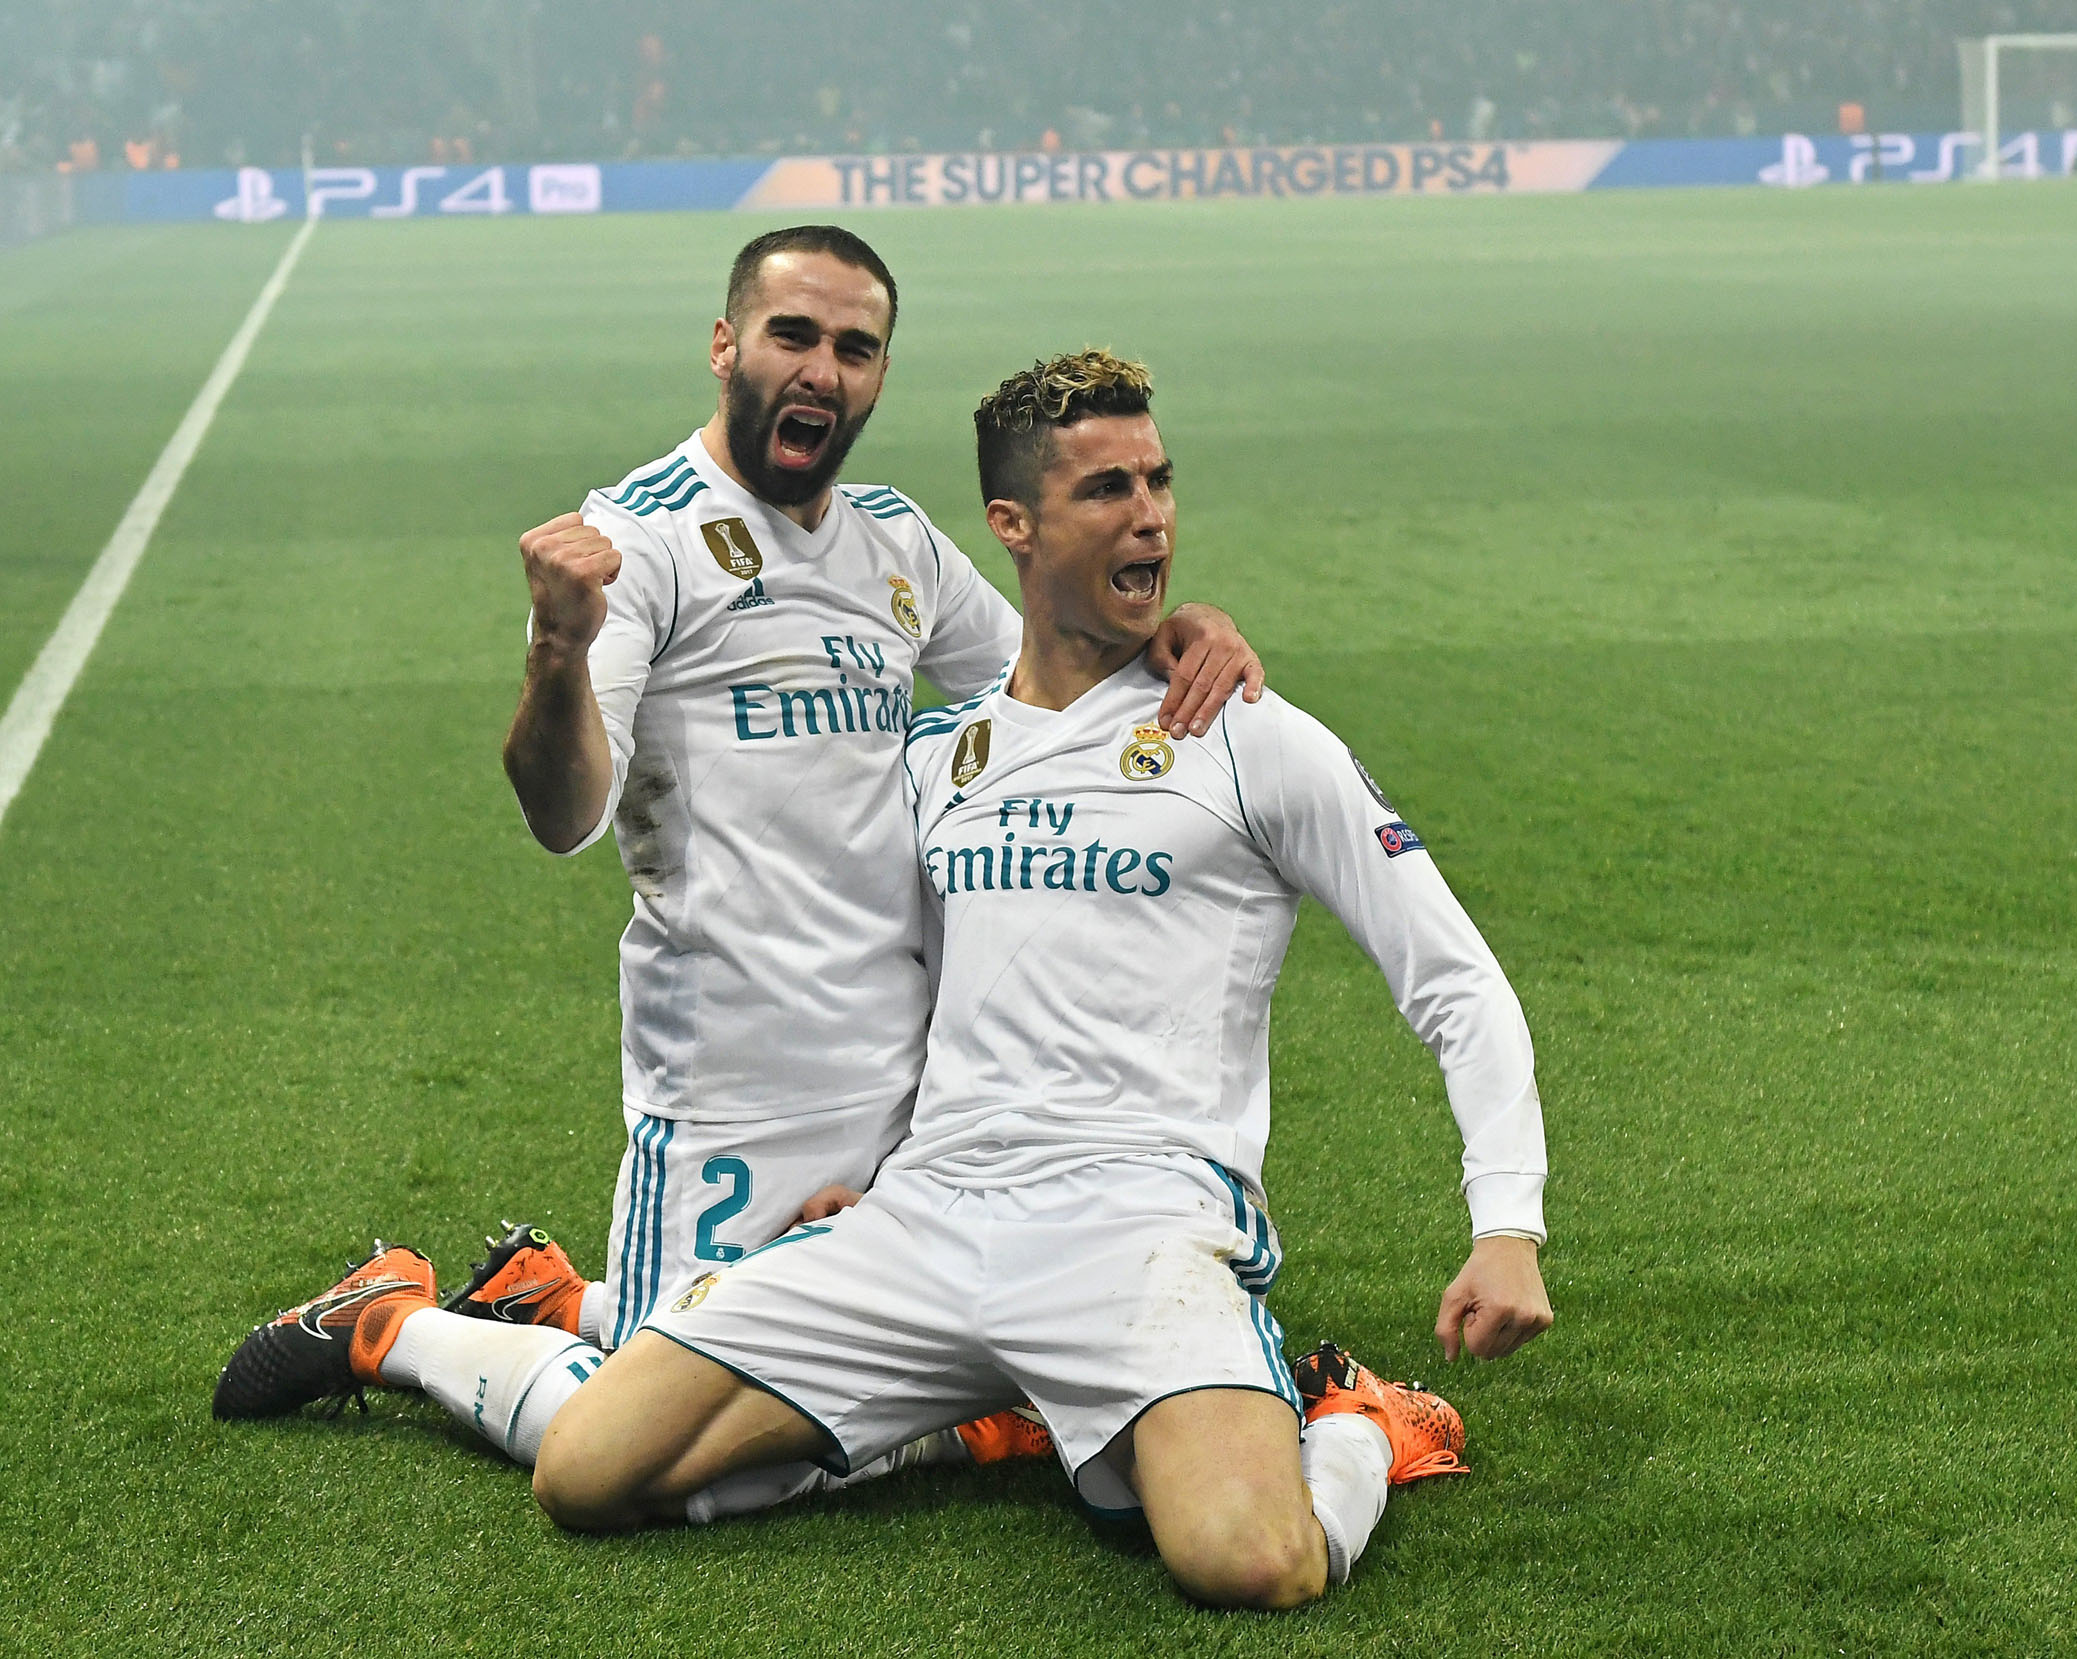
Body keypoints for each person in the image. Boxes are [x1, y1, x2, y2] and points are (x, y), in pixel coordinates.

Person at [211, 231, 1260, 1484]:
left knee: (882, 1386)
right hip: (733, 1093)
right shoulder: (640, 540)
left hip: (910, 1096)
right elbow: (562, 810)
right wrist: (556, 646)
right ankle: (394, 1323)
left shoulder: (896, 543)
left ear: (878, 375)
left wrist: (1172, 623)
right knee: (710, 1468)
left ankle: (559, 1296)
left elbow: (1052, 682)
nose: (823, 368)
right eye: (793, 336)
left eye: (854, 347)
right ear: (727, 346)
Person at [526, 349, 1553, 1608]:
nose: (1152, 516)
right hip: (927, 1215)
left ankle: (1357, 1428)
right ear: (1014, 526)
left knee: (1252, 1562)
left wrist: (1506, 1225)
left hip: (1138, 1222)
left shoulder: (1246, 735)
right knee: (588, 1470)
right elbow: (926, 985)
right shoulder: (937, 757)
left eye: (1160, 482)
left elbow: (1452, 978)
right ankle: (1018, 1405)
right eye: (1107, 489)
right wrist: (877, 1166)